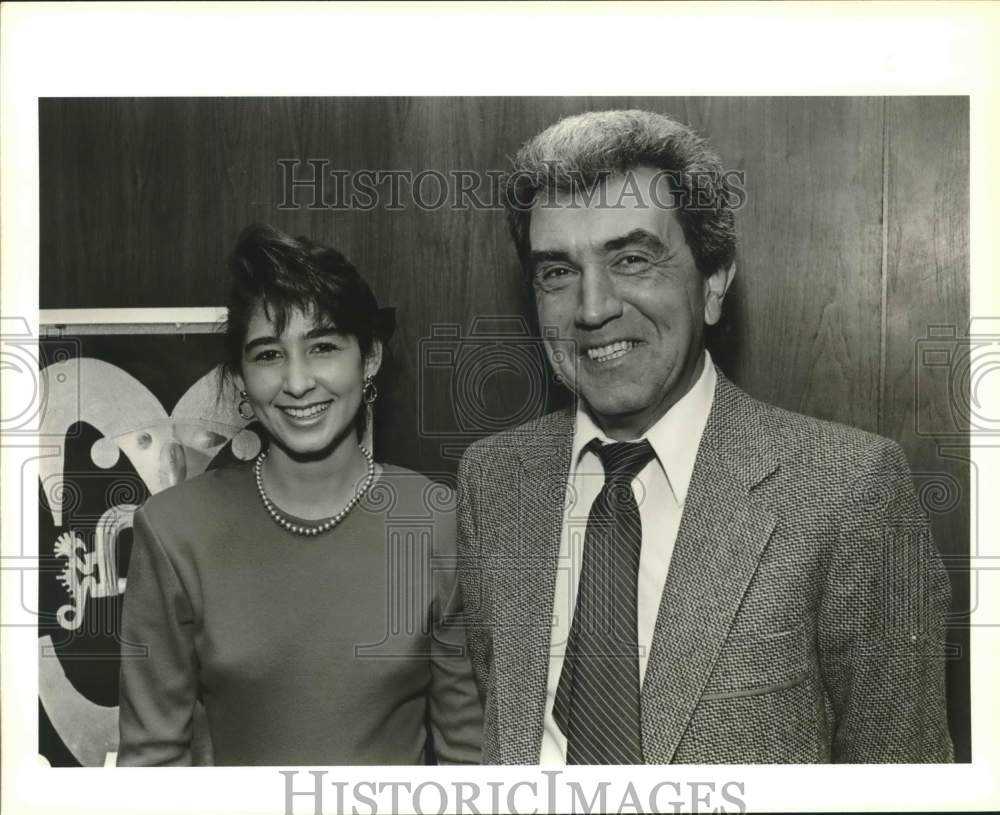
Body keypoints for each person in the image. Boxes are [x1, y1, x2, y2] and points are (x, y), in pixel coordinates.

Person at [456, 110, 953, 764]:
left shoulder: (848, 488)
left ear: (714, 282)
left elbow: (902, 781)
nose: (593, 307)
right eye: (557, 272)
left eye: (631, 258)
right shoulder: (493, 479)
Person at [118, 224, 482, 766]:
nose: (296, 382)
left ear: (371, 358)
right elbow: (150, 767)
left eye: (324, 347)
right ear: (240, 379)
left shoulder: (437, 521)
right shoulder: (174, 531)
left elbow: (468, 764)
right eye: (267, 355)